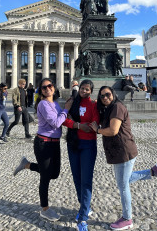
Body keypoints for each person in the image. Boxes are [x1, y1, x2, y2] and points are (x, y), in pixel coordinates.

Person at [90, 86, 157, 230]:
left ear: (113, 94)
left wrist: (98, 130)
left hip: (123, 151)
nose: (105, 97)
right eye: (102, 96)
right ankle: (152, 171)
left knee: (123, 186)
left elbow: (113, 130)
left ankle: (127, 218)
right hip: (118, 151)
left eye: (107, 94)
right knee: (124, 180)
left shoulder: (118, 107)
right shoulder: (109, 108)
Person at [12, 78, 73, 221]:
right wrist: (67, 109)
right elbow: (55, 123)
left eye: (49, 86)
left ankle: (27, 164)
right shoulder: (44, 104)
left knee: (55, 173)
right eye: (43, 87)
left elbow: (62, 118)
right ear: (41, 91)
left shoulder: (55, 104)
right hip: (43, 144)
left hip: (54, 143)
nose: (47, 89)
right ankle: (44, 209)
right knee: (45, 177)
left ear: (53, 87)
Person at [63, 79, 100, 231]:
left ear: (91, 91)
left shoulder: (93, 105)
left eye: (87, 89)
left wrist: (86, 126)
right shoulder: (72, 102)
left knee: (86, 180)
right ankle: (84, 206)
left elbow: (95, 123)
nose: (84, 91)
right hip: (73, 143)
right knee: (77, 178)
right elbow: (63, 119)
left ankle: (83, 217)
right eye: (82, 88)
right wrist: (77, 125)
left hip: (88, 145)